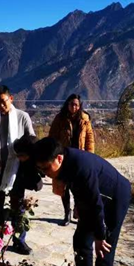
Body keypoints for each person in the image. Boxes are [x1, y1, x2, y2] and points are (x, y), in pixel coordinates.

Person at [33, 137, 131, 266]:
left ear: (59, 159)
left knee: (104, 253)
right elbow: (80, 189)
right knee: (80, 240)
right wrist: (79, 205)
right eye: (40, 169)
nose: (44, 173)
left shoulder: (81, 166)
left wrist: (100, 236)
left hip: (115, 198)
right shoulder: (65, 162)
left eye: (46, 168)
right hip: (97, 198)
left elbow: (95, 204)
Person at [0, 85, 36, 255]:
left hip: (16, 168)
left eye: (4, 101)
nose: (1, 105)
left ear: (11, 98)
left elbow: (31, 139)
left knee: (18, 205)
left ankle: (19, 240)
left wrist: (24, 155)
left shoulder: (22, 117)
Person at [49, 94, 95, 225]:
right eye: (71, 104)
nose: (73, 107)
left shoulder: (85, 119)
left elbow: (90, 138)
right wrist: (53, 154)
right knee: (64, 188)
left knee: (79, 188)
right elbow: (52, 137)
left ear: (79, 106)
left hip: (79, 158)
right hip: (63, 158)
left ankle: (78, 211)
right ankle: (66, 213)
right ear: (67, 104)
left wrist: (90, 156)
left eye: (76, 105)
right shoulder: (60, 118)